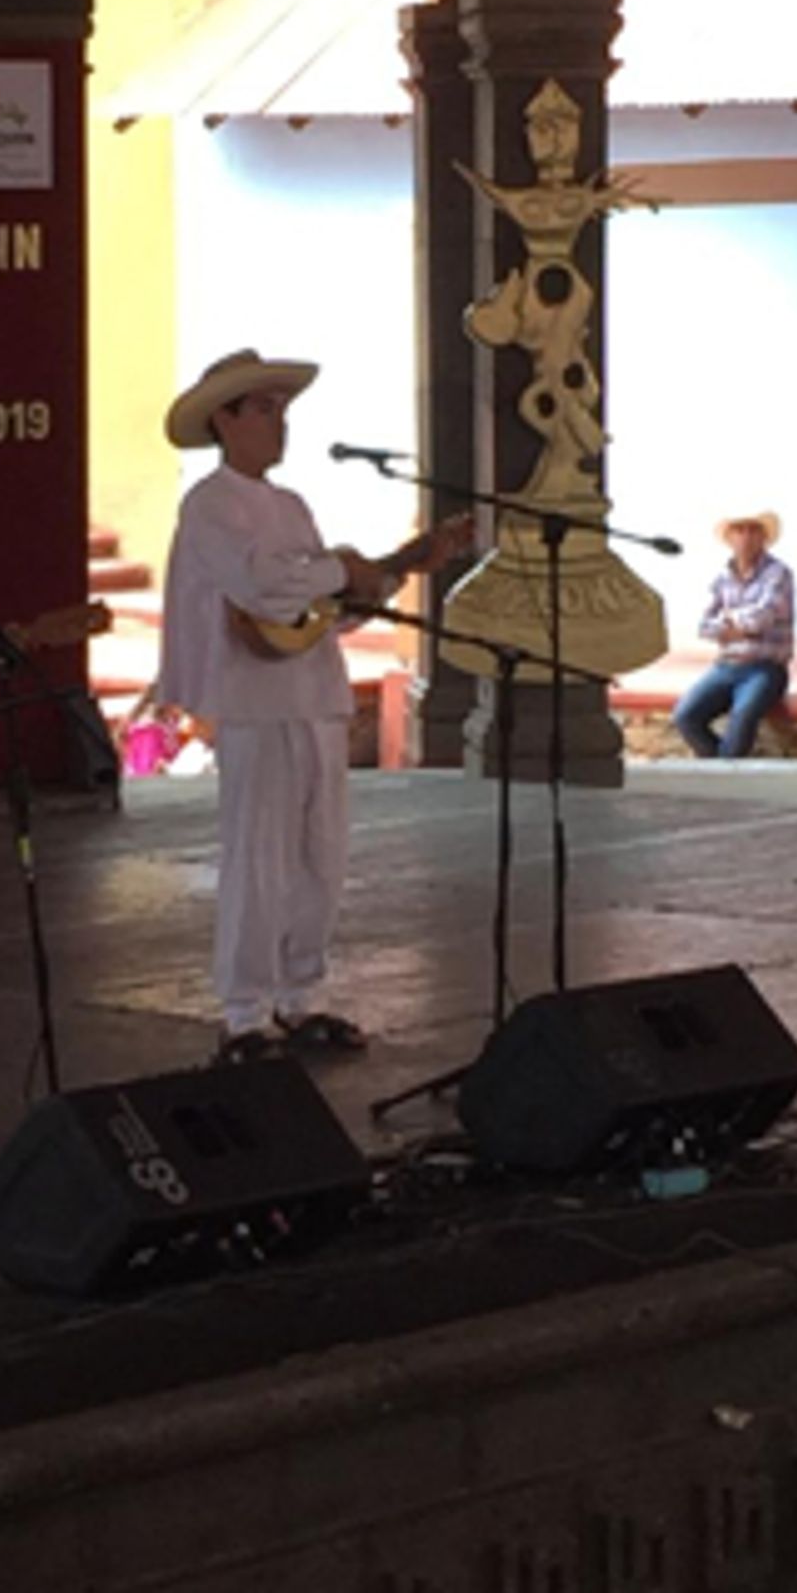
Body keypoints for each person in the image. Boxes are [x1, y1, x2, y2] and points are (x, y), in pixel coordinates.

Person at [157, 348, 466, 1060]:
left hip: (312, 694)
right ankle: (243, 1012)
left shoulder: (291, 505)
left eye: (281, 410)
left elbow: (317, 608)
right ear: (225, 421)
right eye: (263, 409)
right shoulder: (209, 503)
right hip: (253, 700)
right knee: (258, 855)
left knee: (318, 856)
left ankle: (299, 996)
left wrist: (389, 572)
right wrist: (344, 570)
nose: (279, 424)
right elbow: (262, 583)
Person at [672, 510, 795, 758]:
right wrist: (734, 626)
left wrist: (729, 622)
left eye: (753, 530)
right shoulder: (721, 578)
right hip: (726, 667)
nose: (746, 537)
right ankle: (722, 771)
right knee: (685, 716)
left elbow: (763, 617)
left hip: (764, 669)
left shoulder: (779, 573)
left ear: (764, 537)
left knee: (742, 718)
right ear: (729, 538)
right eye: (740, 530)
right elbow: (704, 626)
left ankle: (723, 775)